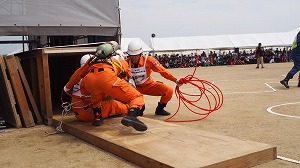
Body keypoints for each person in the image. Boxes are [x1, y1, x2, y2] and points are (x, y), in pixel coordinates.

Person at [64, 42, 147, 132]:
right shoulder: (117, 58)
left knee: (96, 94)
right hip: (106, 78)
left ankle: (98, 118)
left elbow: (78, 74)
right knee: (137, 96)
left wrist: (67, 87)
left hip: (89, 81)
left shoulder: (92, 59)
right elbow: (127, 76)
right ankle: (131, 115)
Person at [125, 40, 182, 116]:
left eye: (136, 55)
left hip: (149, 86)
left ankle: (160, 109)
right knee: (139, 111)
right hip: (134, 88)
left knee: (168, 91)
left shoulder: (149, 60)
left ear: (140, 54)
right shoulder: (125, 63)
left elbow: (163, 71)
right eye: (131, 55)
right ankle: (138, 108)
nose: (133, 57)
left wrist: (175, 80)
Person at [69, 54, 129, 123]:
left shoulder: (79, 77)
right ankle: (129, 109)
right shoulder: (89, 79)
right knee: (113, 104)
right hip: (88, 113)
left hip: (81, 112)